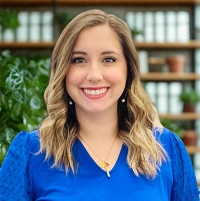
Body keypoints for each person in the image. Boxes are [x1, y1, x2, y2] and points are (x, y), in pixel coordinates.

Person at [0, 9, 199, 201]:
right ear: (63, 71)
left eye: (108, 59)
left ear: (128, 69)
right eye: (79, 60)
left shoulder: (168, 149)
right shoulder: (30, 152)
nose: (94, 75)